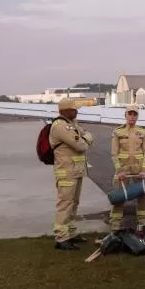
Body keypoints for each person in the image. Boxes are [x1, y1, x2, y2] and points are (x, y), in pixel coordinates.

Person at [49, 97, 94, 250]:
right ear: (66, 111)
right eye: (74, 109)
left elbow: (88, 135)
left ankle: (71, 233)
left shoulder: (72, 124)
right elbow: (81, 145)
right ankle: (61, 238)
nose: (77, 112)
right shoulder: (60, 126)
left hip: (76, 171)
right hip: (66, 172)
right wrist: (85, 139)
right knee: (65, 204)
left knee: (74, 203)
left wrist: (84, 138)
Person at [109, 105, 145, 235]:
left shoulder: (142, 132)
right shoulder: (118, 132)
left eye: (135, 114)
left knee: (143, 199)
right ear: (125, 115)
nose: (132, 117)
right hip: (123, 173)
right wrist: (119, 171)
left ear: (137, 117)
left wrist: (144, 170)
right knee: (119, 199)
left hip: (139, 172)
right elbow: (114, 154)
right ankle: (115, 227)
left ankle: (144, 225)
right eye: (130, 114)